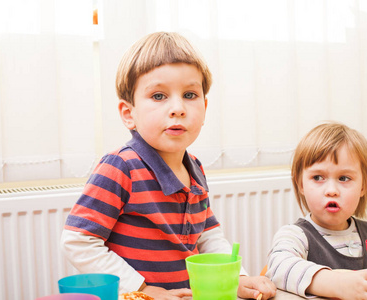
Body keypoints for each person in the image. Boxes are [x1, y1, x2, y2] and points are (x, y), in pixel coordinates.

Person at [61, 31, 276, 300]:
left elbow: (208, 236)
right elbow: (78, 241)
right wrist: (144, 290)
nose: (178, 108)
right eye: (159, 96)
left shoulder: (195, 167)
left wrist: (237, 279)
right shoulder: (121, 166)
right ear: (129, 114)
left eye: (189, 94)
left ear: (205, 108)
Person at [266, 122, 367, 299]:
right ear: (300, 184)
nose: (331, 190)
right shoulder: (295, 236)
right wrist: (337, 284)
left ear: (363, 185)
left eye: (344, 178)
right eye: (318, 177)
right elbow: (278, 268)